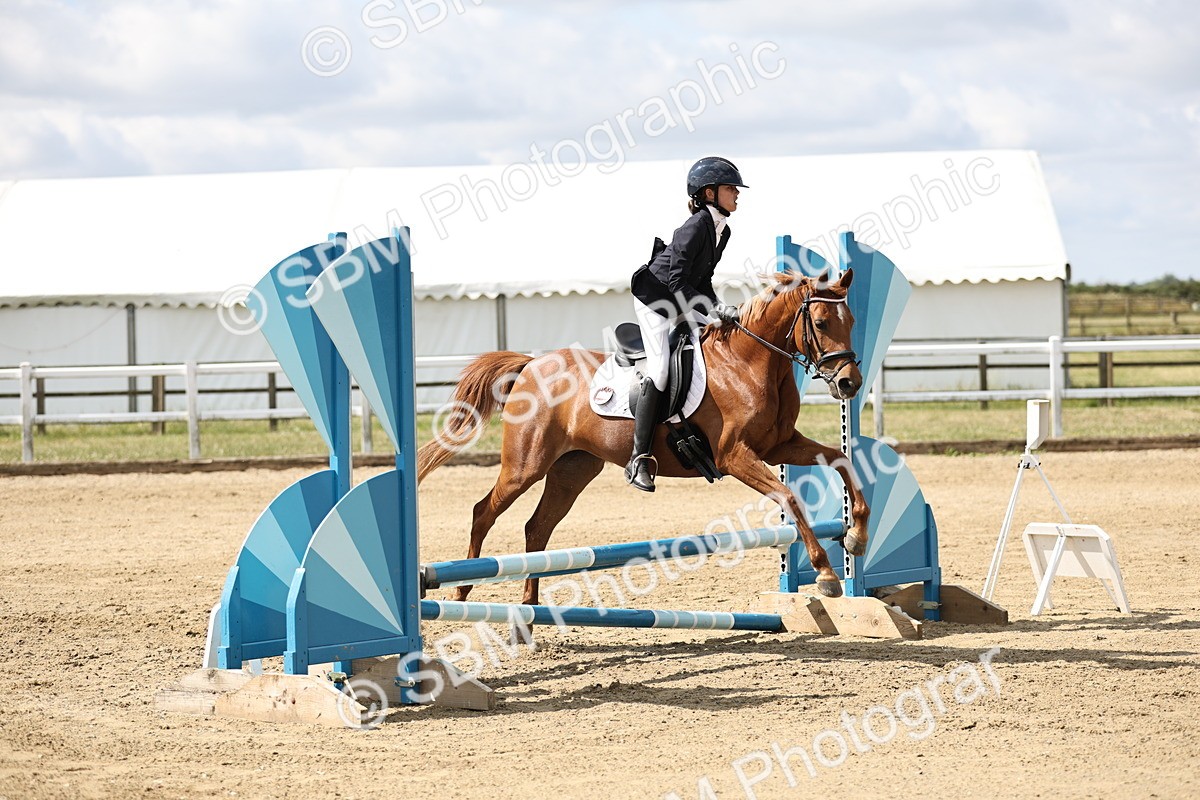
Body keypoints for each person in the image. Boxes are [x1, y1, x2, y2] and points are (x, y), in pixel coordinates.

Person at [624, 156, 746, 492]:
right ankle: (639, 458)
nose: (737, 193)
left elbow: (701, 278)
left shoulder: (722, 230)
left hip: (679, 296)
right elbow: (677, 280)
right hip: (655, 301)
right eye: (730, 188)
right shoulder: (694, 228)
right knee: (661, 368)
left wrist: (717, 308)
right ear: (709, 193)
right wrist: (709, 309)